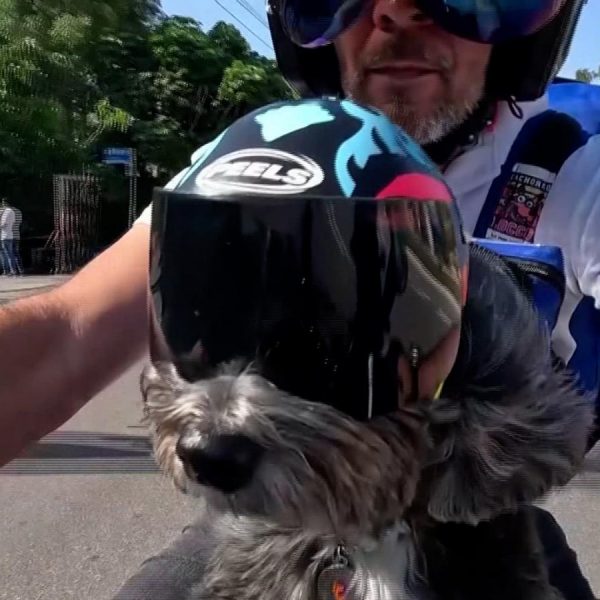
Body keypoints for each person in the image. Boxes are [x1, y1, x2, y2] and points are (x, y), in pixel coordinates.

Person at [0, 0, 596, 597]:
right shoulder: (260, 156)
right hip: (276, 522)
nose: (395, 11)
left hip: (476, 518)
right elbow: (69, 334)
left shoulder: (576, 167)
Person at [0, 198, 23, 276]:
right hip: (16, 234)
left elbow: (4, 224)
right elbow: (19, 223)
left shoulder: (5, 211)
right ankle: (20, 270)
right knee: (16, 253)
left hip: (7, 234)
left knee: (7, 254)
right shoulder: (18, 211)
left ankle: (9, 270)